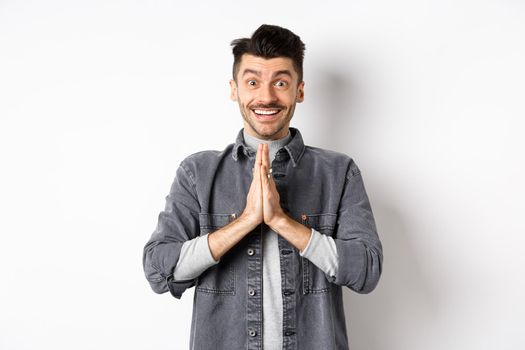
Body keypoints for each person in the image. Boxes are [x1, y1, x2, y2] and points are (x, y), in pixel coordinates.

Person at [142, 24, 383, 350]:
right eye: (252, 82)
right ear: (234, 89)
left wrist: (282, 221)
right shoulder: (197, 172)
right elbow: (159, 270)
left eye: (280, 83)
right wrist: (245, 222)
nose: (266, 97)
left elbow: (366, 271)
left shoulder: (339, 172)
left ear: (299, 90)